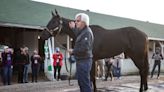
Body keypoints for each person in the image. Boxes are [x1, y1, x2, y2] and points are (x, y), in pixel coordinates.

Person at [68, 13, 94, 92]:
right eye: (75, 21)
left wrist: (73, 51)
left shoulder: (87, 32)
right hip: (81, 61)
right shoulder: (83, 31)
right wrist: (73, 28)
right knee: (82, 83)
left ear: (84, 22)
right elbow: (78, 33)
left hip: (84, 61)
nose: (75, 22)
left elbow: (85, 48)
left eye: (78, 21)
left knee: (84, 84)